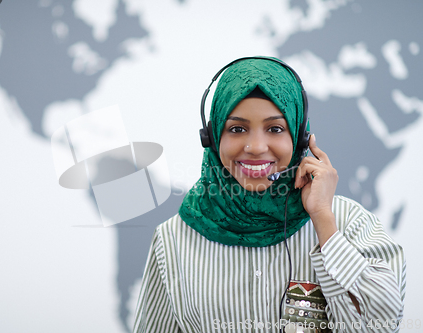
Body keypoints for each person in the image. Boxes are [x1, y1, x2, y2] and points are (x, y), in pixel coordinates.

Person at [132, 57, 405, 333]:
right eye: (237, 129)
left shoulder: (350, 223)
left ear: (300, 137)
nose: (255, 146)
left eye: (275, 129)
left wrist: (323, 221)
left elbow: (381, 326)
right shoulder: (173, 239)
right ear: (212, 137)